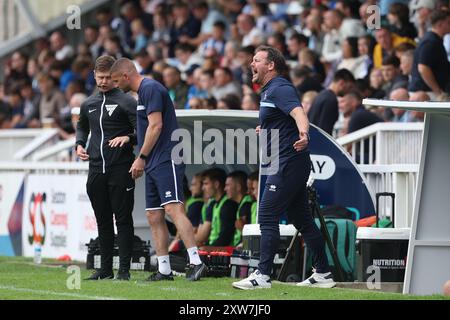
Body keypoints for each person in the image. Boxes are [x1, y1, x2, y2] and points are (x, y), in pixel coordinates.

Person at [232, 46, 335, 290]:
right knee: (303, 221)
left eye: (256, 60)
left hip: (289, 161)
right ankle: (323, 274)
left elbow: (299, 113)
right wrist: (265, 129)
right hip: (285, 162)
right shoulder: (268, 91)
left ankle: (263, 276)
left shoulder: (280, 87)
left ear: (271, 65)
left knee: (267, 214)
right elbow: (282, 119)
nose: (251, 64)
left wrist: (304, 133)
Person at [110, 58, 206, 281]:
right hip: (154, 160)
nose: (115, 85)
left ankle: (196, 262)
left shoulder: (150, 88)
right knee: (154, 215)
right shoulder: (143, 92)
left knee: (173, 209)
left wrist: (141, 157)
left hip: (166, 157)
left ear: (126, 76)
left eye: (116, 80)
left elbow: (156, 126)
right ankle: (164, 269)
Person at [75, 55, 137, 281]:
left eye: (107, 78)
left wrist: (128, 138)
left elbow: (144, 130)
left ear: (116, 77)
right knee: (102, 220)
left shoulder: (127, 101)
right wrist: (79, 144)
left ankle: (124, 271)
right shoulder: (88, 103)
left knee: (123, 219)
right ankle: (105, 269)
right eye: (99, 77)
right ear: (94, 75)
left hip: (120, 169)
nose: (103, 82)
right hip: (95, 170)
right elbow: (81, 127)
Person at [226, 171, 253, 246]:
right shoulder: (242, 203)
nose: (225, 189)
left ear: (238, 187)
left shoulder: (246, 204)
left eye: (227, 185)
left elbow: (247, 236)